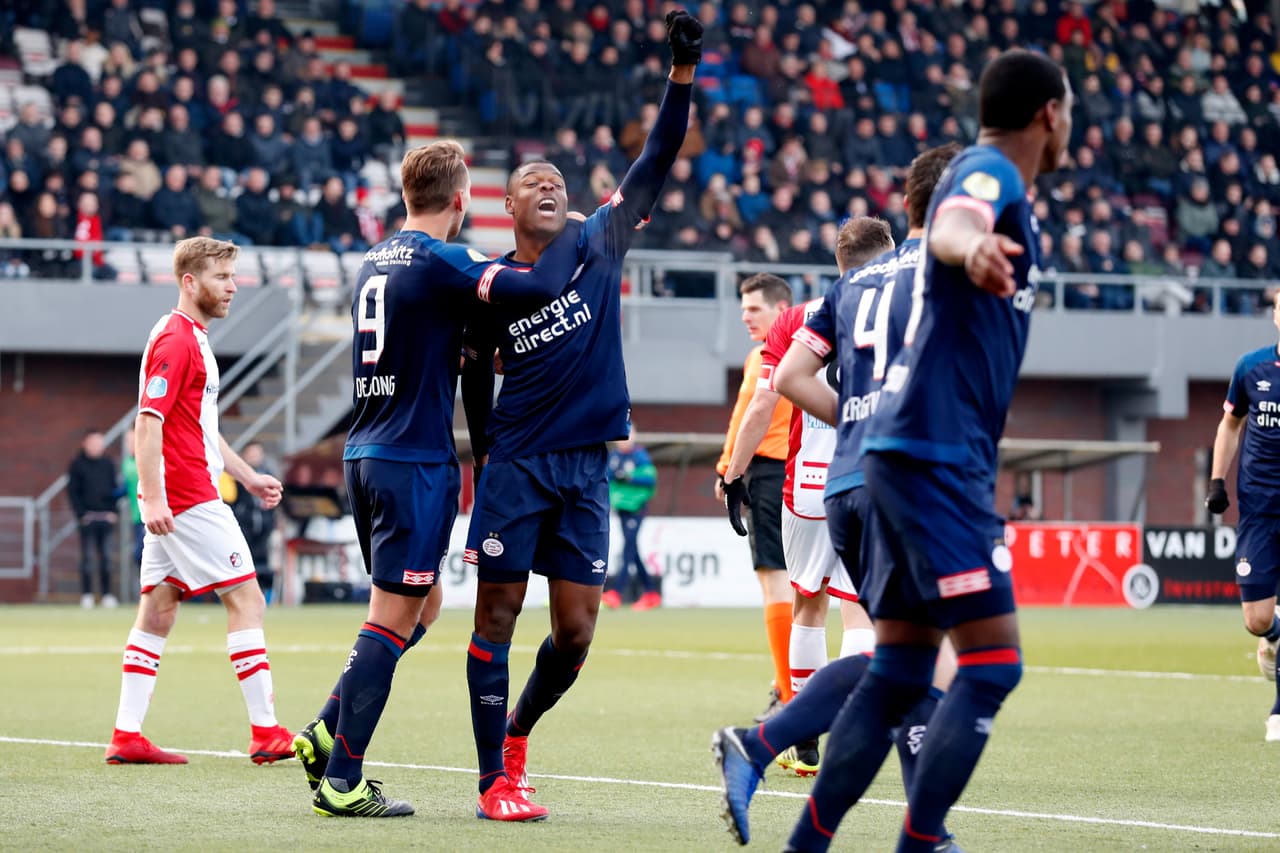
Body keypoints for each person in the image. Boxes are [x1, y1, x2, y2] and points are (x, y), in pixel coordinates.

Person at [780, 50, 1072, 852]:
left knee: (904, 667)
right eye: (1069, 111)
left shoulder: (991, 181)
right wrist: (969, 245)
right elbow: (953, 220)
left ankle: (803, 844)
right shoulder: (990, 174)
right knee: (994, 662)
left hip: (904, 454)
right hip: (935, 458)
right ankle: (919, 843)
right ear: (1050, 112)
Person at [289, 140, 584, 818]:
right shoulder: (446, 259)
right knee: (392, 617)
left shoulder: (375, 257)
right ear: (461, 200)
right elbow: (533, 286)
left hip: (366, 451)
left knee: (423, 606)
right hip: (412, 460)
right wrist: (575, 233)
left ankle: (327, 728)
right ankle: (343, 778)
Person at [461, 10, 702, 823]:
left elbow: (659, 155)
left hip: (587, 469)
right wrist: (486, 449)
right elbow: (469, 370)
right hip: (519, 464)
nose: (551, 184)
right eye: (534, 182)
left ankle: (520, 732)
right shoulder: (490, 283)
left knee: (575, 635)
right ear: (507, 206)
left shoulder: (602, 238)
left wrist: (681, 73)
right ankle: (495, 778)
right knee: (497, 612)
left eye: (558, 178)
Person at [713, 145, 962, 846]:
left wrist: (733, 467)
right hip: (892, 478)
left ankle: (789, 747)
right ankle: (776, 741)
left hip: (824, 482)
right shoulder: (929, 278)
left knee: (849, 625)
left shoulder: (829, 302)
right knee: (923, 650)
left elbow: (776, 388)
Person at [105, 237, 295, 767]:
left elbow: (201, 428)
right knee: (247, 600)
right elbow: (149, 422)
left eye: (233, 277)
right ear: (190, 282)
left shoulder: (193, 338)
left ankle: (126, 735)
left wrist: (248, 476)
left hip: (184, 493)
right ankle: (265, 731)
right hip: (187, 497)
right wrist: (156, 499)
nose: (233, 286)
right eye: (222, 277)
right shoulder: (177, 341)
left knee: (158, 610)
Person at [718, 222, 895, 778]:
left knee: (808, 603)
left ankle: (806, 738)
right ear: (884, 257)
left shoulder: (800, 318)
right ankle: (850, 728)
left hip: (809, 480)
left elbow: (765, 400)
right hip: (870, 473)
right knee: (860, 607)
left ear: (838, 260)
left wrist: (735, 473)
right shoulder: (901, 310)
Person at [717, 273, 795, 721]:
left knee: (774, 577)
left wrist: (730, 469)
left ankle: (789, 694)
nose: (745, 315)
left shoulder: (771, 355)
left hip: (770, 472)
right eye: (743, 307)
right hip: (795, 471)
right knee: (806, 588)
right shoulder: (810, 352)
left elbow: (753, 415)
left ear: (780, 309)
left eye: (754, 308)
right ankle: (789, 682)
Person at [1206, 289, 1280, 741]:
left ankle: (1278, 711)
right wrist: (1216, 480)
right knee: (1255, 620)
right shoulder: (1251, 367)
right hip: (1258, 508)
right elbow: (1230, 424)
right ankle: (1275, 633)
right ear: (1276, 315)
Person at [602, 428, 660, 610]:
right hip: (621, 508)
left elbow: (650, 479)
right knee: (632, 549)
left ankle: (616, 593)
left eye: (629, 435)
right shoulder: (614, 457)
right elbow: (607, 478)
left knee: (628, 548)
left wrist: (627, 477)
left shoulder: (640, 456)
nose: (624, 440)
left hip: (637, 509)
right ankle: (651, 593)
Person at [68, 428, 119, 609]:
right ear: (85, 443)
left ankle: (107, 595)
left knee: (106, 557)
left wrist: (113, 512)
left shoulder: (108, 464)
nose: (97, 446)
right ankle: (87, 595)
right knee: (87, 558)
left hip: (106, 517)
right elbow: (73, 492)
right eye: (94, 442)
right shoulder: (77, 465)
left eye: (100, 442)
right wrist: (81, 514)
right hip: (87, 518)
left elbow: (114, 490)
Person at [229, 441, 278, 604]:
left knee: (263, 563)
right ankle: (241, 598)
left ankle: (266, 598)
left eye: (257, 454)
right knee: (242, 562)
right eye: (251, 454)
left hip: (264, 527)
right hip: (244, 526)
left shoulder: (268, 474)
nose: (255, 457)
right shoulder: (235, 479)